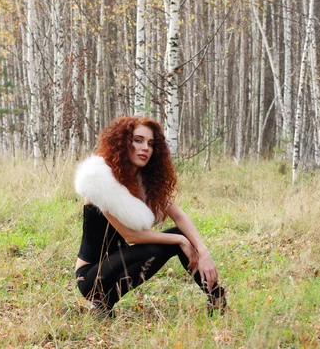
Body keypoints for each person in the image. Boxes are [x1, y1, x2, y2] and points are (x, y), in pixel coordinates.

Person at [74, 116, 226, 318]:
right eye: (138, 140)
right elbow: (131, 236)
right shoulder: (100, 180)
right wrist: (180, 240)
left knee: (181, 233)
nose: (145, 147)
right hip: (92, 276)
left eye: (150, 143)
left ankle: (216, 298)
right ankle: (100, 300)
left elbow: (179, 216)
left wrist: (202, 250)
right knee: (175, 239)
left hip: (122, 263)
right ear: (122, 142)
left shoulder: (145, 183)